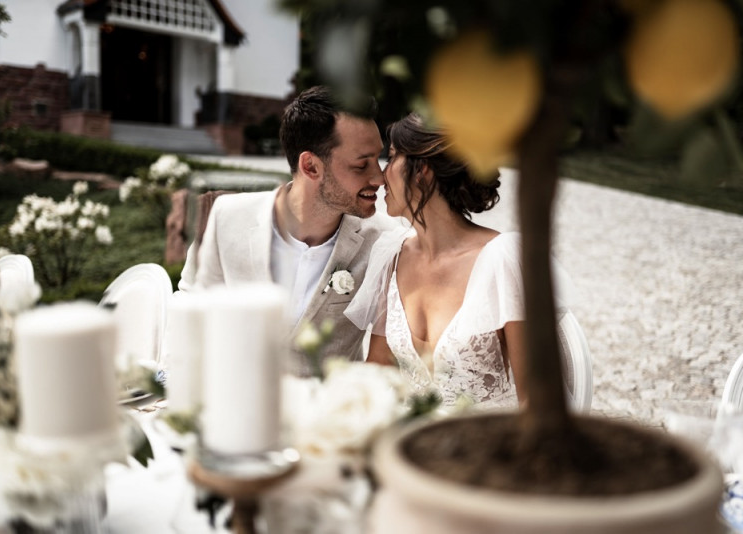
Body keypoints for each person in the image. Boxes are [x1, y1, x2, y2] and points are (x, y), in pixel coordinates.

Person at [179, 86, 393, 375]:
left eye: (378, 159)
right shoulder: (226, 218)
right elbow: (188, 310)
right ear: (311, 166)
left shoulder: (385, 242)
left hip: (327, 415)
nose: (379, 178)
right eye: (361, 165)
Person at [345, 113, 526, 409]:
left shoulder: (502, 258)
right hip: (411, 442)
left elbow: (534, 397)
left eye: (391, 158)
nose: (380, 176)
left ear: (423, 171)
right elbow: (379, 368)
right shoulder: (392, 255)